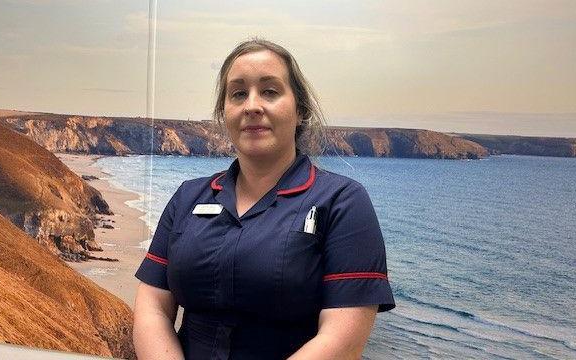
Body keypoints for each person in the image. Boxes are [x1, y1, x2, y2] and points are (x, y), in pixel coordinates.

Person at [133, 38, 395, 359]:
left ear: (300, 111)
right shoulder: (188, 197)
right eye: (238, 93)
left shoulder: (343, 202)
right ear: (224, 112)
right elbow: (153, 308)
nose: (252, 106)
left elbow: (343, 341)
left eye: (270, 91)